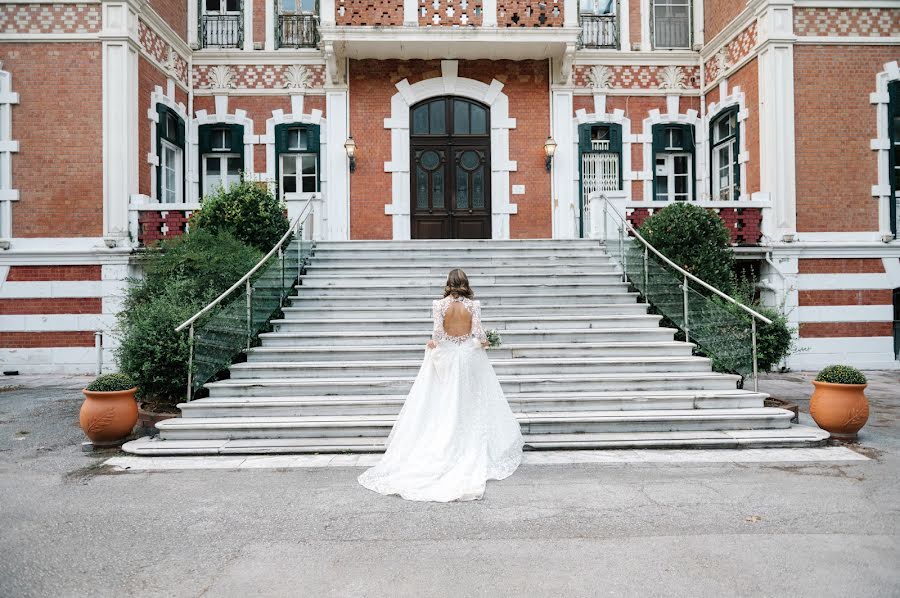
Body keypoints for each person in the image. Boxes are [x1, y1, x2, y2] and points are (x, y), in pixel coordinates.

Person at [357, 268, 524, 502]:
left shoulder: (438, 304)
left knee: (445, 397)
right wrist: (485, 341)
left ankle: (444, 435)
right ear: (465, 283)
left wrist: (434, 343)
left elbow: (438, 332)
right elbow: (477, 330)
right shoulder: (473, 306)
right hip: (467, 354)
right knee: (471, 398)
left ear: (448, 283)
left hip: (446, 354)